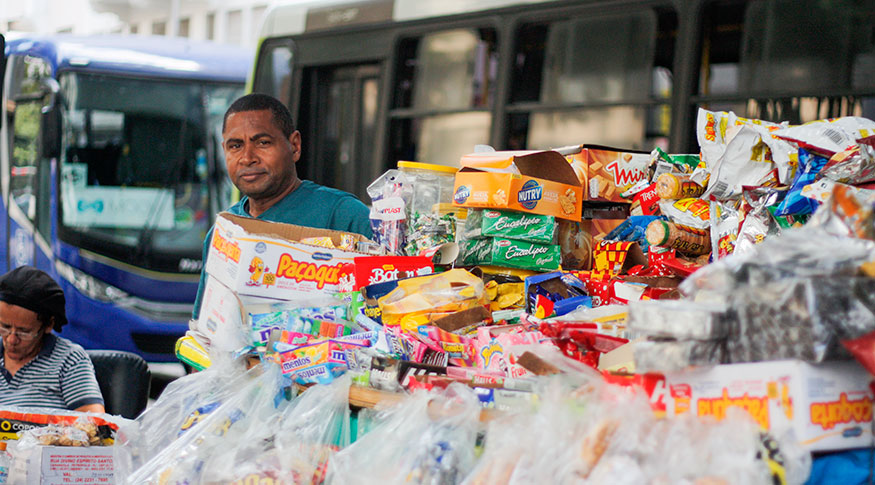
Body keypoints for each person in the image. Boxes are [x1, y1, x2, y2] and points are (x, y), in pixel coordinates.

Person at [190, 93, 372, 322]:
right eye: (235, 146)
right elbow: (204, 330)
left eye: (263, 143)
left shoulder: (344, 215)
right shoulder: (224, 233)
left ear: (294, 146)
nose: (247, 158)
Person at [0, 266, 105, 413]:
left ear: (48, 324)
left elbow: (93, 422)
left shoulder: (69, 360)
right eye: (4, 327)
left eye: (24, 332)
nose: (11, 340)